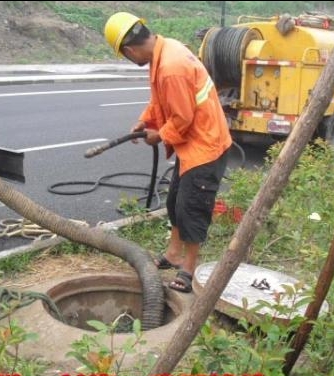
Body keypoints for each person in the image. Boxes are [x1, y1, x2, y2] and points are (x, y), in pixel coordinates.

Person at [103, 12, 232, 293]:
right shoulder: (163, 51)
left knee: (192, 208)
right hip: (193, 144)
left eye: (125, 56)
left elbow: (182, 118)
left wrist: (158, 135)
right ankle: (174, 254)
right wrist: (146, 119)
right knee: (174, 202)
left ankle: (189, 268)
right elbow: (162, 100)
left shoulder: (170, 66)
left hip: (205, 145)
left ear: (128, 51)